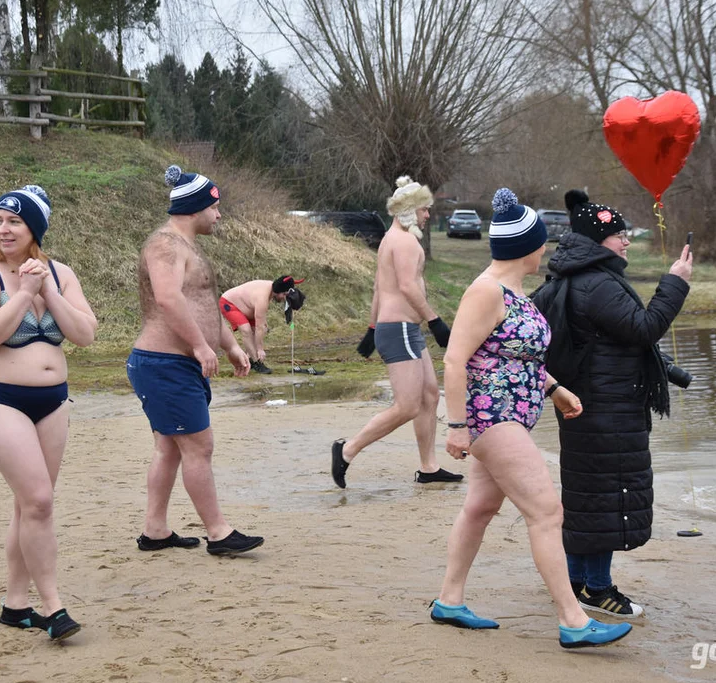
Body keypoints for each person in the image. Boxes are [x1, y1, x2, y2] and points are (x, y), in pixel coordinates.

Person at [431, 188, 631, 648]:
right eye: (542, 242)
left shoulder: (514, 290)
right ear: (527, 246)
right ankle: (574, 621)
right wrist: (456, 426)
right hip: (490, 417)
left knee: (480, 508)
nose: (546, 249)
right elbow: (455, 361)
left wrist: (555, 388)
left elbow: (516, 360)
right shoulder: (485, 291)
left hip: (513, 415)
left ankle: (449, 600)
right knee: (546, 512)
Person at [532, 189, 691, 618]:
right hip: (608, 410)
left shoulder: (567, 277)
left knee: (587, 497)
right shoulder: (597, 283)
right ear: (600, 237)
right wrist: (676, 282)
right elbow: (644, 328)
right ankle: (599, 589)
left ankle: (579, 580)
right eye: (621, 234)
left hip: (584, 405)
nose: (626, 241)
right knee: (606, 498)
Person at [0, 185, 97, 641]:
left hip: (52, 401)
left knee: (29, 504)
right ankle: (53, 606)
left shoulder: (61, 272)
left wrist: (48, 291)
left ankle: (15, 605)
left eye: (14, 221)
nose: (3, 229)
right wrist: (22, 294)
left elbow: (85, 334)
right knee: (39, 500)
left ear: (34, 228)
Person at [128, 165, 264, 556]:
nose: (218, 215)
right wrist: (201, 347)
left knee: (170, 448)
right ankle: (219, 534)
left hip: (173, 364)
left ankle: (154, 531)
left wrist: (229, 345)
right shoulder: (165, 245)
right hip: (164, 363)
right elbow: (169, 299)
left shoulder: (186, 246)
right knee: (199, 447)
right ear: (196, 207)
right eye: (215, 206)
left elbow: (202, 306)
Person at [331, 176, 461, 488]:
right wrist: (435, 320)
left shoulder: (392, 240)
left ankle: (428, 467)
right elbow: (405, 287)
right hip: (401, 329)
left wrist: (371, 327)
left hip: (401, 329)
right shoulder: (404, 242)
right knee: (407, 405)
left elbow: (380, 287)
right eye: (423, 210)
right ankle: (347, 450)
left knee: (430, 395)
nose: (427, 215)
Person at [219, 275, 305, 373]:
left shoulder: (272, 288)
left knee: (260, 329)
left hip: (246, 305)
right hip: (229, 303)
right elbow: (259, 326)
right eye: (284, 295)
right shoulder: (262, 298)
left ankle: (250, 359)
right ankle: (257, 363)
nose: (284, 298)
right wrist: (260, 349)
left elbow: (261, 327)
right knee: (246, 330)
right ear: (279, 291)